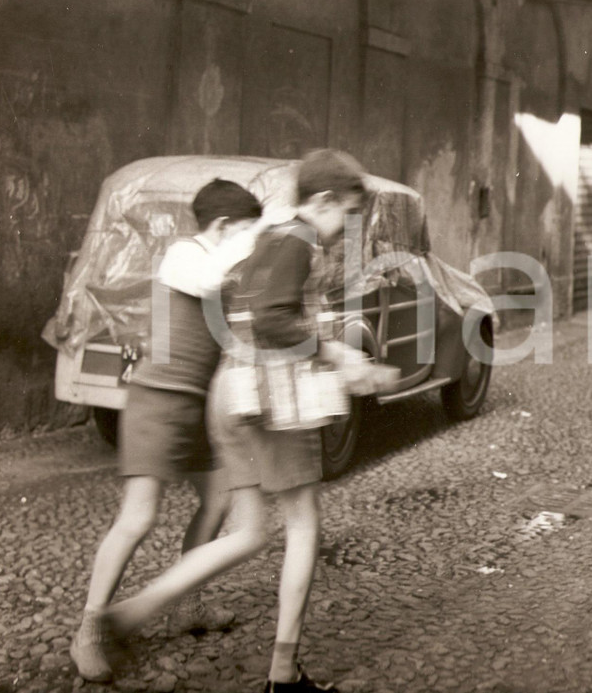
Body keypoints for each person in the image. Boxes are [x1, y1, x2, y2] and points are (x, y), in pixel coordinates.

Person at [95, 149, 382, 693]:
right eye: (347, 215)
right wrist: (337, 354)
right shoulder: (298, 239)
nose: (346, 230)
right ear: (323, 201)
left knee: (249, 532)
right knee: (304, 527)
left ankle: (135, 609)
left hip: (231, 392)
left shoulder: (266, 237)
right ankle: (283, 674)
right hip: (272, 401)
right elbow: (272, 318)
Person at [71, 179, 264, 682]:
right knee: (139, 517)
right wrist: (252, 247)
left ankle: (186, 605)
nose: (251, 242)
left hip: (200, 406)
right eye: (245, 230)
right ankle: (90, 628)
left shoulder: (224, 267)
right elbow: (209, 283)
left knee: (217, 502)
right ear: (222, 226)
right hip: (157, 402)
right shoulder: (184, 256)